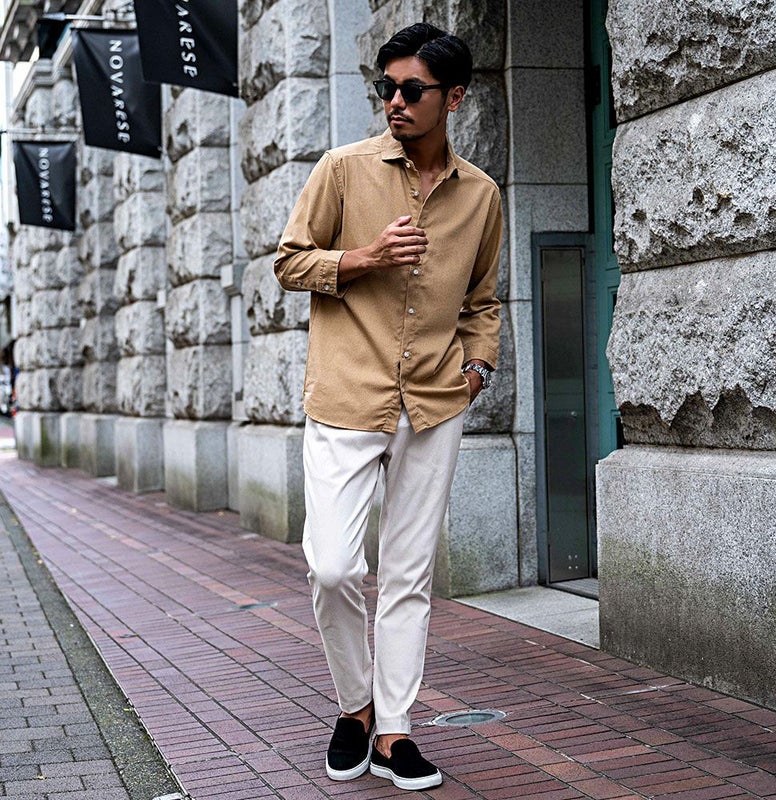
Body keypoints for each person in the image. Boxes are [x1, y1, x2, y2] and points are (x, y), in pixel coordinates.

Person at [274, 22, 502, 791]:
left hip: (436, 401)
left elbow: (483, 300)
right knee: (332, 565)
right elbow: (289, 262)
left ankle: (395, 729)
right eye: (386, 88)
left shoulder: (481, 196)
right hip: (347, 393)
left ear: (454, 98)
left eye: (411, 90)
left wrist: (479, 367)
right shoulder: (342, 170)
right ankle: (355, 705)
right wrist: (365, 258)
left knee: (408, 574)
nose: (394, 102)